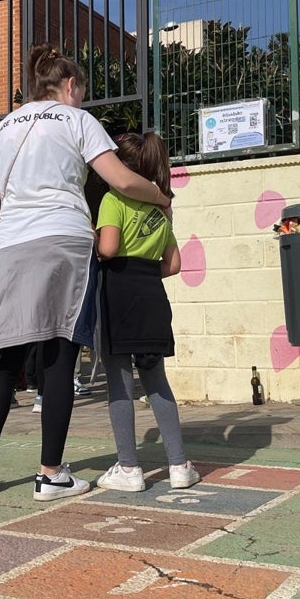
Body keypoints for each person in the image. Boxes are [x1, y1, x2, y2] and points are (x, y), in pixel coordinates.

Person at [0, 45, 173, 501]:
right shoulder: (78, 121)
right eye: (82, 91)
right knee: (59, 349)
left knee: (4, 355)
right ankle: (50, 473)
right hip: (66, 240)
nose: (81, 98)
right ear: (70, 86)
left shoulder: (3, 127)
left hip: (14, 242)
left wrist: (5, 237)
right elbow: (120, 179)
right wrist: (159, 196)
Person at [94, 132, 199, 492]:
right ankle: (179, 464)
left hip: (117, 294)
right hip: (151, 293)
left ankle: (128, 468)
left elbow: (107, 248)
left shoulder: (113, 199)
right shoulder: (159, 210)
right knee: (157, 381)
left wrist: (92, 240)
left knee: (120, 384)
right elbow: (174, 264)